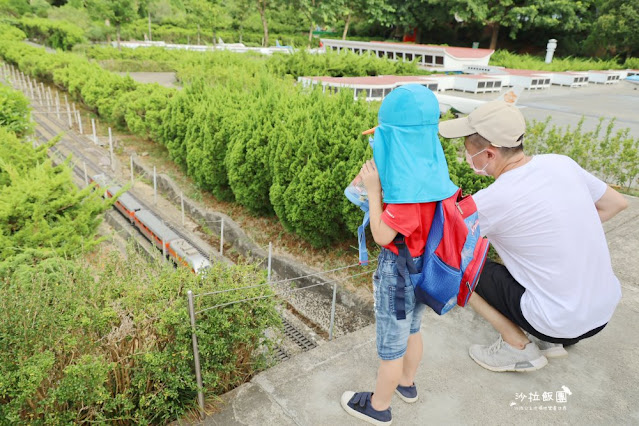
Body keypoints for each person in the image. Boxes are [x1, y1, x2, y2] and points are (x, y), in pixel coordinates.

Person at [438, 100, 628, 372]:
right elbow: (616, 203)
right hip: (601, 315)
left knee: (457, 266)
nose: (464, 154)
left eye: (467, 147)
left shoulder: (491, 201)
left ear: (489, 155)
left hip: (558, 322)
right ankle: (550, 341)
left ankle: (516, 346)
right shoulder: (561, 164)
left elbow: (447, 245)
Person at [341, 84, 458, 425]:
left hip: (399, 272)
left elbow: (381, 235)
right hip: (425, 267)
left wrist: (374, 191)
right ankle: (407, 384)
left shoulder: (406, 194)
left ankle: (378, 407)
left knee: (391, 345)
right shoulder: (431, 170)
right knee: (414, 330)